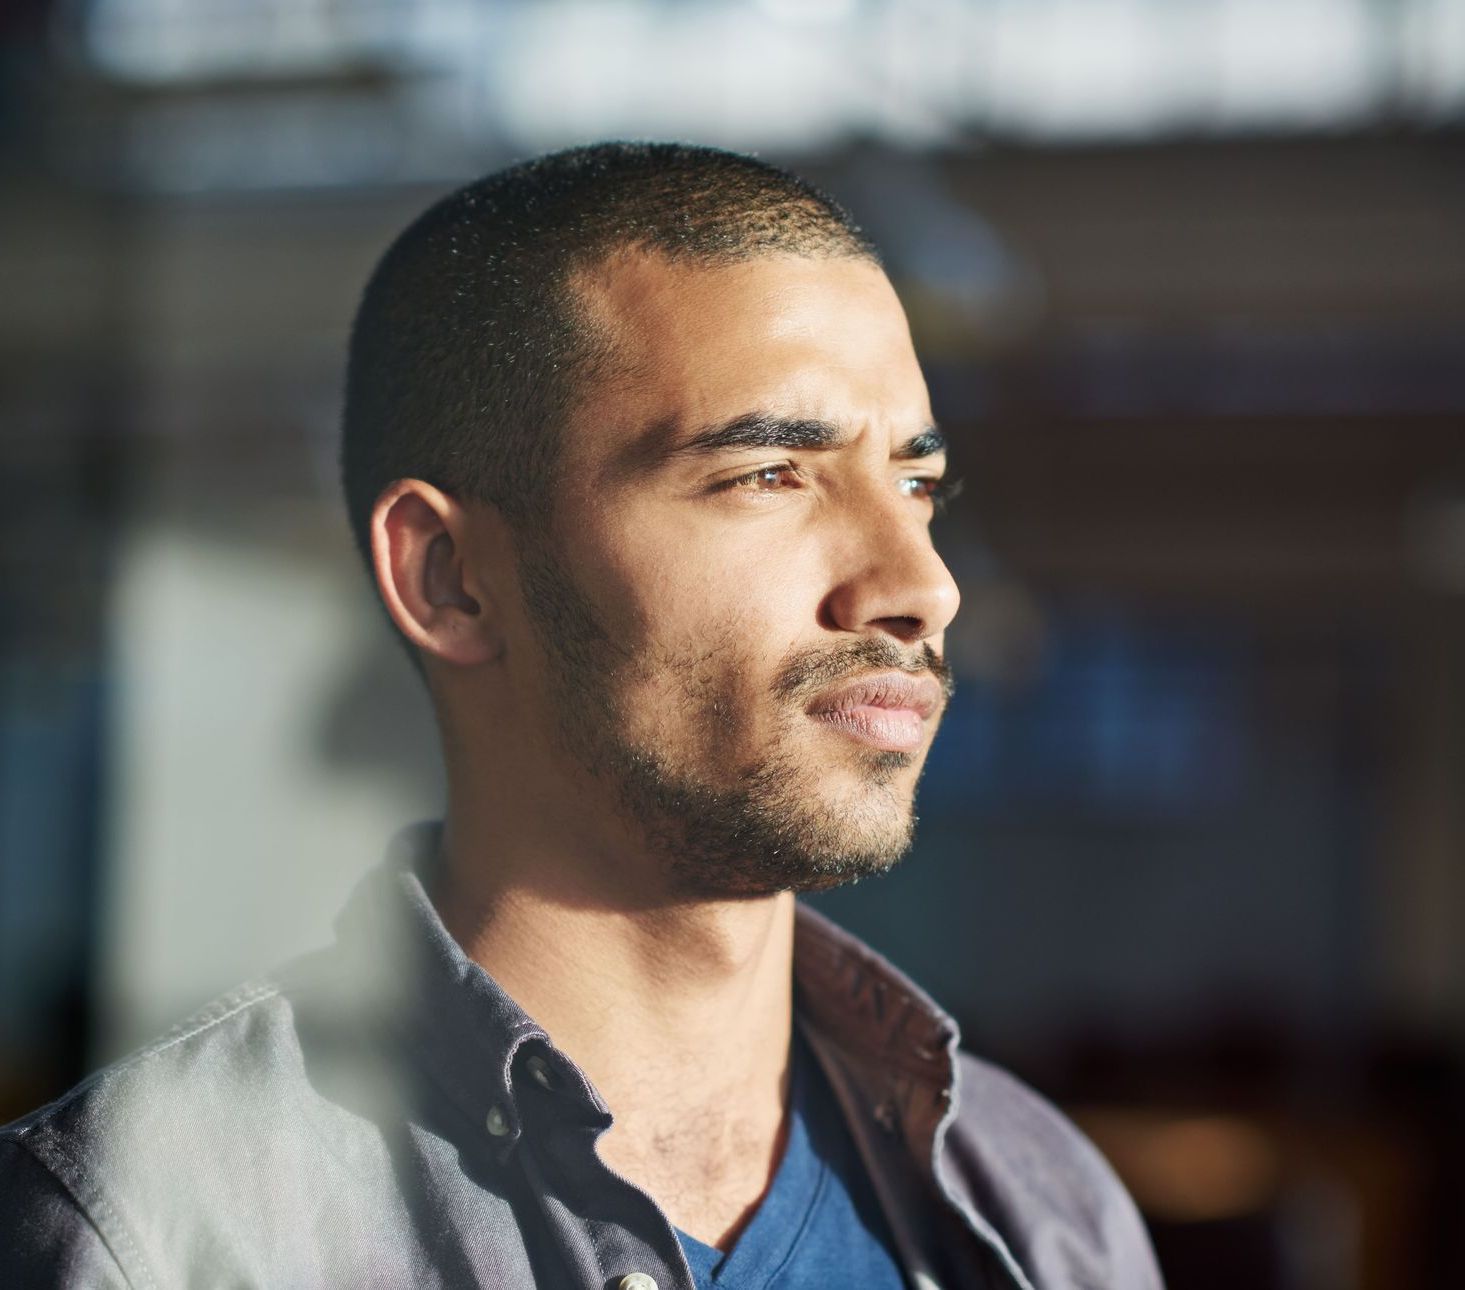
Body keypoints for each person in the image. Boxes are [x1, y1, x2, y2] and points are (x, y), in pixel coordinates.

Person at [0, 142, 1163, 1289]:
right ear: (451, 577)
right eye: (769, 474)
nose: (920, 588)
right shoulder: (160, 1238)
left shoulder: (1036, 1211)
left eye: (915, 487)